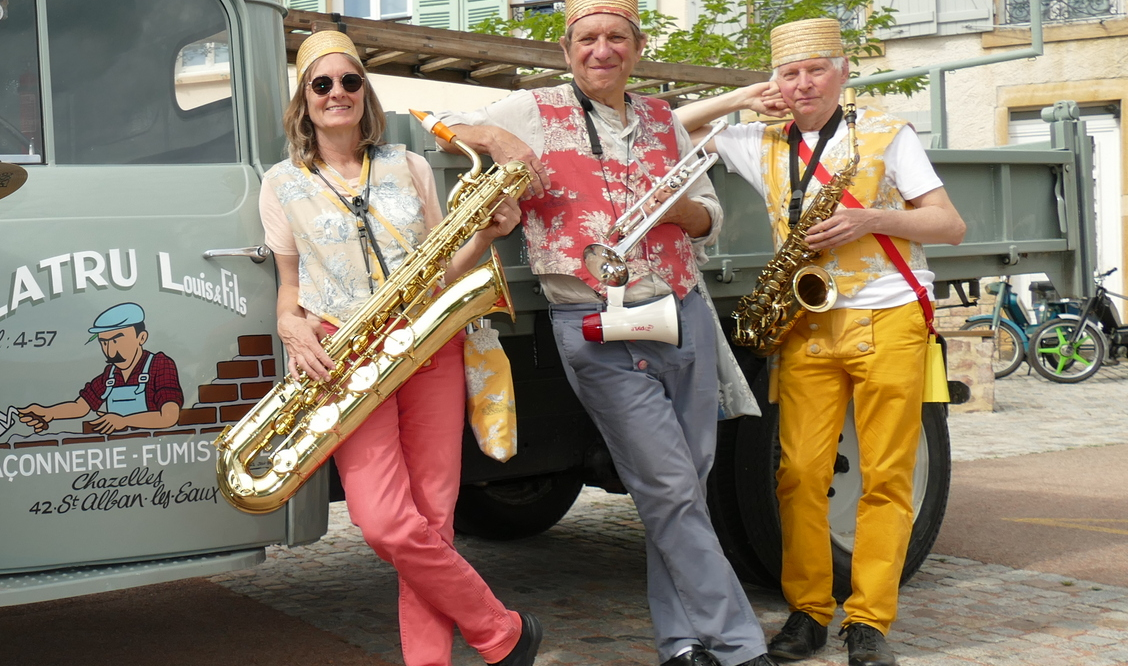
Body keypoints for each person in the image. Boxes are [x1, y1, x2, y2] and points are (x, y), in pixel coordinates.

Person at [425, 0, 775, 663]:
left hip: (680, 311)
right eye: (587, 37)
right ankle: (736, 643)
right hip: (593, 321)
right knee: (669, 489)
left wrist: (680, 213)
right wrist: (494, 140)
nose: (602, 48)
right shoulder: (531, 110)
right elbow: (434, 122)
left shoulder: (663, 119)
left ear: (636, 50)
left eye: (617, 36)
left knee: (682, 490)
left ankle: (680, 642)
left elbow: (711, 218)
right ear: (567, 51)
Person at [676, 19, 966, 666]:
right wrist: (738, 98)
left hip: (890, 318)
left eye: (815, 70)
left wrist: (873, 217)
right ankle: (808, 612)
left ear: (842, 71)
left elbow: (949, 224)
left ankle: (868, 622)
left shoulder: (887, 134)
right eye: (789, 72)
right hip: (806, 321)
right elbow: (667, 132)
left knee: (886, 477)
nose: (802, 84)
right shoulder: (758, 138)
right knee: (799, 475)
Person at [260, 30, 542, 666]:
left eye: (350, 81)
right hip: (346, 356)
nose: (337, 94)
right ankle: (500, 630)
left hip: (428, 342)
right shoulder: (280, 183)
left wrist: (490, 233)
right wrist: (290, 326)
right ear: (304, 100)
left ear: (366, 91)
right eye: (322, 84)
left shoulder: (409, 164)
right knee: (385, 522)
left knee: (434, 523)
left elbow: (440, 266)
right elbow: (288, 288)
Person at [17, 303, 183, 434]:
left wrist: (124, 420)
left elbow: (169, 417)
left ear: (142, 337)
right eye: (104, 342)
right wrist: (48, 413)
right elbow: (80, 407)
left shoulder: (160, 364)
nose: (110, 351)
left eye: (117, 340)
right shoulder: (110, 374)